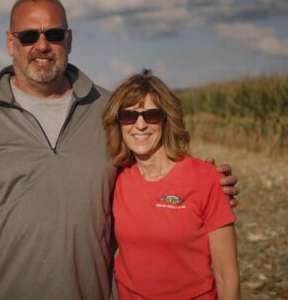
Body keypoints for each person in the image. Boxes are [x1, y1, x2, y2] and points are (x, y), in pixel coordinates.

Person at [0, 0, 239, 299]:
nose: (42, 45)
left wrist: (207, 185)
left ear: (70, 40)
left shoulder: (109, 109)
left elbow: (154, 170)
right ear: (10, 42)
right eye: (29, 36)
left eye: (55, 34)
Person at [102, 70, 240, 300]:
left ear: (167, 120)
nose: (140, 125)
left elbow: (227, 277)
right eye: (129, 116)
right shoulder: (115, 180)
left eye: (151, 115)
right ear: (118, 123)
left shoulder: (207, 179)